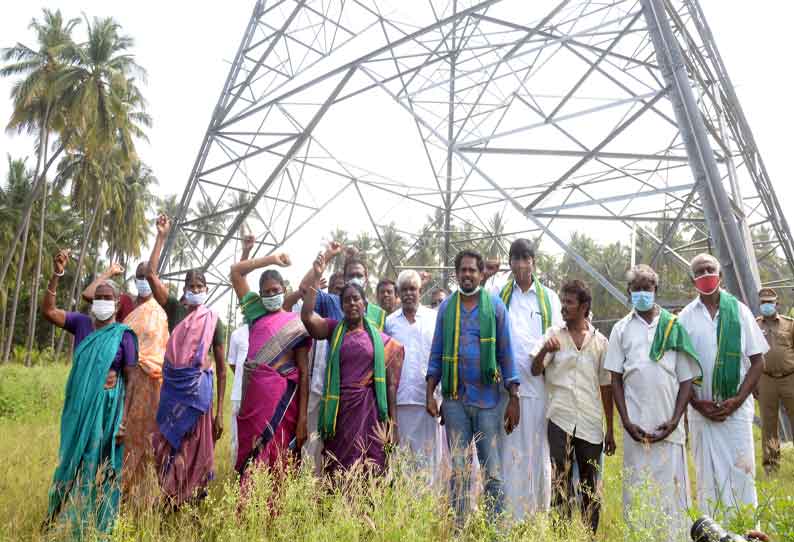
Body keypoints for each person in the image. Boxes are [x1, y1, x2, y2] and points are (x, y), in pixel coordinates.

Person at [42, 249, 138, 535]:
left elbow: (131, 380)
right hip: (79, 408)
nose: (103, 302)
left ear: (117, 305)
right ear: (92, 302)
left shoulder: (124, 335)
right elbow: (48, 311)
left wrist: (125, 420)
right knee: (71, 462)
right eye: (99, 298)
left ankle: (98, 525)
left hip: (109, 411)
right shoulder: (81, 323)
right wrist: (57, 274)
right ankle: (54, 518)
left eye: (109, 299)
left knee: (103, 466)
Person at [604, 265, 700, 540]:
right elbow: (616, 379)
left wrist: (674, 421)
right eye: (637, 288)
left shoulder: (673, 326)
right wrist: (625, 421)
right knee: (638, 491)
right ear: (629, 292)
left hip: (669, 428)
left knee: (672, 493)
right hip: (636, 428)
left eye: (647, 287)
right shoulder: (621, 329)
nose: (643, 293)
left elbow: (686, 380)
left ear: (655, 291)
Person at [426, 249, 519, 526]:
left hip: (489, 402)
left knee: (492, 472)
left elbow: (506, 352)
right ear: (456, 274)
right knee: (458, 471)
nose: (467, 274)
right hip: (454, 401)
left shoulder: (495, 307)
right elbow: (436, 352)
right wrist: (430, 393)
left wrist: (514, 397)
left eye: (472, 270)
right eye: (462, 270)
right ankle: (459, 528)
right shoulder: (446, 308)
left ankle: (495, 530)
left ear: (480, 274)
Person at [678, 253, 768, 517]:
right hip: (701, 414)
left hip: (736, 412)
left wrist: (737, 400)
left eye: (710, 269)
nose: (706, 275)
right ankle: (714, 532)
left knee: (742, 475)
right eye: (699, 271)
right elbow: (681, 368)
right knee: (708, 479)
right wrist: (697, 403)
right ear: (692, 279)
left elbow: (758, 361)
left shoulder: (739, 311)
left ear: (720, 275)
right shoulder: (685, 317)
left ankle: (746, 532)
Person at [147, 215, 227, 506]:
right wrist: (161, 237)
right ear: (184, 288)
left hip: (199, 397)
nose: (196, 288)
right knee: (168, 442)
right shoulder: (174, 309)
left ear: (206, 288)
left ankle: (193, 499)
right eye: (191, 285)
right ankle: (169, 499)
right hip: (173, 390)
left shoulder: (214, 321)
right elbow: (152, 275)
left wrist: (219, 412)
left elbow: (220, 369)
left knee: (195, 446)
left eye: (200, 285)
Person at [301, 272, 403, 474]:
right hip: (339, 411)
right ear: (341, 306)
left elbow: (390, 384)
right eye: (346, 300)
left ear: (365, 303)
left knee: (371, 464)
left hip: (370, 412)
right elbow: (306, 317)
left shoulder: (379, 339)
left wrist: (393, 423)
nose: (352, 303)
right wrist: (316, 277)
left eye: (356, 299)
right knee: (339, 464)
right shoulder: (333, 329)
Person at [530, 279, 612, 533]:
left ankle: (589, 536)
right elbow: (534, 370)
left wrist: (611, 429)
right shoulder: (553, 336)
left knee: (590, 485)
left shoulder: (600, 342)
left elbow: (606, 386)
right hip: (560, 420)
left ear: (584, 306)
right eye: (562, 301)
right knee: (560, 483)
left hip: (590, 422)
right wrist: (545, 350)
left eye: (569, 302)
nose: (564, 307)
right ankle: (561, 535)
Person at [488, 239, 561, 520]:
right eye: (515, 258)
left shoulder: (549, 298)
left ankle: (535, 518)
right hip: (505, 391)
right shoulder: (498, 293)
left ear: (534, 261)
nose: (520, 264)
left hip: (539, 387)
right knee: (507, 452)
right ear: (510, 262)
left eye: (525, 258)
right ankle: (507, 518)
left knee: (536, 451)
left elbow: (555, 338)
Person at [229, 246, 311, 480]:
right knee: (251, 467)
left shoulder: (296, 324)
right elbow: (236, 271)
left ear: (284, 290)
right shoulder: (256, 313)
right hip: (254, 405)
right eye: (266, 292)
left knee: (280, 463)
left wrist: (303, 418)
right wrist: (271, 259)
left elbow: (304, 373)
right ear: (260, 296)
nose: (272, 295)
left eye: (276, 290)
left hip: (286, 405)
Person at [385, 270, 445, 477]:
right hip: (400, 402)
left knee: (428, 465)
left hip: (427, 402)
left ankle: (427, 508)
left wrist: (438, 396)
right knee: (402, 464)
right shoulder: (390, 322)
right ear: (399, 293)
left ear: (420, 291)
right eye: (405, 289)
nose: (409, 293)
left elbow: (440, 356)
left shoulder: (433, 318)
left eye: (413, 289)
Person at [298, 242, 387, 330]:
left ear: (366, 279)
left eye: (359, 276)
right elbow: (304, 288)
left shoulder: (379, 314)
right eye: (351, 276)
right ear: (344, 279)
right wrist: (328, 255)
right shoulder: (331, 302)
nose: (355, 279)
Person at [755, 287, 794, 473]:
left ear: (777, 303)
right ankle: (771, 466)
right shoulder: (755, 325)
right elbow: (750, 355)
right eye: (763, 302)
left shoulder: (789, 325)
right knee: (769, 424)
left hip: (790, 378)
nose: (767, 305)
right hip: (766, 379)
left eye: (770, 302)